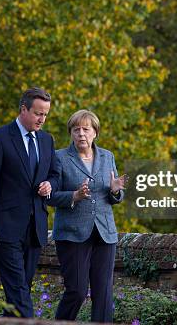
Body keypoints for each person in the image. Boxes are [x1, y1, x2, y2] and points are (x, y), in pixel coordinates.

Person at [0, 87, 59, 318]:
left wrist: (50, 184)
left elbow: (55, 173)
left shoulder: (47, 140)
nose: (42, 119)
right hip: (5, 227)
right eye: (38, 113)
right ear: (23, 109)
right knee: (19, 291)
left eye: (45, 114)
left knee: (19, 294)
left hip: (35, 229)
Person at [48, 109, 126, 323]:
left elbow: (115, 196)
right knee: (77, 291)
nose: (81, 134)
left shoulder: (108, 156)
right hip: (72, 233)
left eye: (86, 129)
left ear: (95, 133)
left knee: (103, 293)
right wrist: (74, 195)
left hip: (104, 233)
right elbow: (49, 196)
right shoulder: (58, 158)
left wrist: (115, 190)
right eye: (76, 130)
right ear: (71, 133)